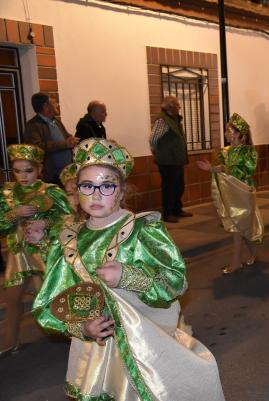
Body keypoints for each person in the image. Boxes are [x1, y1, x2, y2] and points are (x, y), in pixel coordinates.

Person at [31, 137, 225, 400]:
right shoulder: (67, 240)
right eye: (87, 185)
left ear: (122, 192)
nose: (96, 194)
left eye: (107, 186)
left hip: (144, 347)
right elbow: (49, 304)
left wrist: (128, 276)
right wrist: (82, 328)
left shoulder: (143, 231)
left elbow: (175, 282)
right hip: (94, 353)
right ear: (76, 192)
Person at [0, 144, 72, 357]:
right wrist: (15, 214)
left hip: (44, 253)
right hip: (18, 256)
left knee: (56, 298)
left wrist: (45, 224)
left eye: (28, 170)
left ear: (39, 169)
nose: (23, 176)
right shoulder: (7, 193)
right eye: (18, 171)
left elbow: (70, 219)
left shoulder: (51, 191)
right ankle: (11, 341)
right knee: (12, 300)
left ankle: (77, 340)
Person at [196, 113, 263, 274]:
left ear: (240, 134)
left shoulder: (247, 152)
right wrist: (211, 168)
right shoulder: (225, 151)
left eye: (229, 130)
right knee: (239, 227)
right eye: (226, 130)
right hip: (230, 193)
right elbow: (220, 170)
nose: (226, 133)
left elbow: (246, 170)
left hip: (242, 192)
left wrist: (219, 169)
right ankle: (253, 253)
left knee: (237, 226)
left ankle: (236, 262)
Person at [149, 96, 192, 223]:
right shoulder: (163, 120)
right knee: (169, 187)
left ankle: (177, 210)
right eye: (177, 105)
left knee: (179, 186)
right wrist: (158, 152)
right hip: (167, 160)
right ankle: (168, 213)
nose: (179, 108)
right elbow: (153, 139)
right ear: (170, 107)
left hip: (176, 159)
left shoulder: (174, 119)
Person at [24, 92, 79, 184]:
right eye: (54, 102)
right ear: (46, 106)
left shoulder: (55, 121)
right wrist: (65, 144)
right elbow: (36, 147)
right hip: (51, 176)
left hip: (66, 173)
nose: (57, 104)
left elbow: (65, 136)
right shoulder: (33, 125)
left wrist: (72, 139)